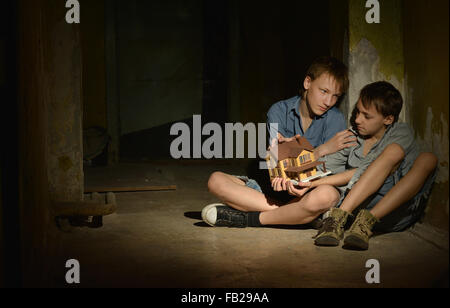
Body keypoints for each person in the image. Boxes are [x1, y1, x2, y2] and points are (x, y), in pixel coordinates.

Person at [201, 56, 356, 228]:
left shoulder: (335, 119)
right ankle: (295, 216)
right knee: (215, 181)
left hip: (308, 192)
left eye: (336, 96)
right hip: (275, 192)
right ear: (307, 83)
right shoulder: (278, 111)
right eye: (324, 91)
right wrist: (321, 150)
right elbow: (279, 166)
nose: (328, 102)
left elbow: (327, 173)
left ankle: (249, 216)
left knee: (327, 196)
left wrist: (293, 156)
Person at [294, 81, 438, 250]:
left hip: (391, 212)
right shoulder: (353, 136)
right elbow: (323, 166)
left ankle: (364, 221)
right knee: (322, 192)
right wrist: (302, 173)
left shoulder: (400, 133)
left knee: (427, 158)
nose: (357, 119)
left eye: (366, 116)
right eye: (358, 112)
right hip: (353, 212)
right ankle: (336, 221)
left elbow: (364, 170)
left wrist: (314, 183)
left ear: (388, 119)